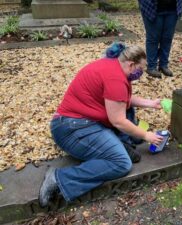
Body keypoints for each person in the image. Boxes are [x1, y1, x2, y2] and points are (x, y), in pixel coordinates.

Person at [39, 42, 163, 207]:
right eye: (141, 68)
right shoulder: (116, 79)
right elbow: (118, 120)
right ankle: (59, 178)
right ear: (132, 64)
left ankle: (118, 144)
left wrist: (150, 103)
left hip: (78, 123)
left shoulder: (112, 66)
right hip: (72, 129)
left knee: (127, 137)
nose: (141, 73)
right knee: (121, 163)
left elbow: (120, 99)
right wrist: (146, 135)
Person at [138, 0, 182, 78]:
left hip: (172, 8)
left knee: (167, 38)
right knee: (153, 38)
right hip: (151, 7)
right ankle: (151, 67)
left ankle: (163, 65)